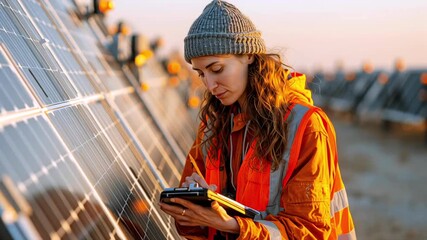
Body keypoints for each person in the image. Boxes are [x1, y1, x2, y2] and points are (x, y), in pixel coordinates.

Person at [159, 0, 356, 239]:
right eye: (201, 74)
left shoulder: (306, 126)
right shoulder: (212, 127)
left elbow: (311, 231)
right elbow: (199, 230)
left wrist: (232, 225)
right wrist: (194, 209)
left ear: (249, 55)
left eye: (217, 69)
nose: (210, 85)